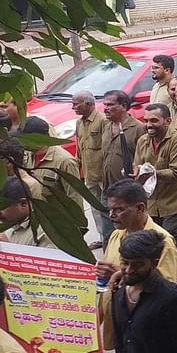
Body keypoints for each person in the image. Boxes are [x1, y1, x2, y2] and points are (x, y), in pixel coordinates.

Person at [109, 230, 177, 353]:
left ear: (154, 263)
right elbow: (120, 340)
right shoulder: (118, 291)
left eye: (137, 265)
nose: (129, 270)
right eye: (125, 263)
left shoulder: (169, 297)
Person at [96, 179, 177, 286]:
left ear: (140, 208)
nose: (111, 215)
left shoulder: (163, 241)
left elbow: (169, 288)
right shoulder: (115, 235)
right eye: (110, 210)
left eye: (118, 210)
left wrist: (124, 274)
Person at [133, 103, 177, 241]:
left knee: (172, 245)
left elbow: (176, 173)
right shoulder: (143, 140)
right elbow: (137, 165)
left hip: (173, 206)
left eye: (154, 121)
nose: (148, 125)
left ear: (168, 121)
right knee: (153, 246)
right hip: (150, 206)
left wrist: (151, 173)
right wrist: (136, 172)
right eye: (146, 121)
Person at [100, 90, 145, 244]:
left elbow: (143, 158)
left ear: (124, 106)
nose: (105, 108)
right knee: (108, 234)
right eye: (104, 105)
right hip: (107, 189)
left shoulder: (138, 128)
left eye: (110, 105)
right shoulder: (106, 127)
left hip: (126, 192)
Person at [72, 90, 110, 249]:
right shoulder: (79, 123)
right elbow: (79, 149)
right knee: (96, 209)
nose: (73, 107)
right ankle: (103, 238)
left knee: (107, 208)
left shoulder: (102, 120)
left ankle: (110, 239)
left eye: (76, 104)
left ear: (88, 103)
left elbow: (108, 147)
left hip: (104, 175)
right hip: (90, 175)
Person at [0, 176, 55, 248]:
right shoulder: (5, 226)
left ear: (23, 204)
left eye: (0, 208)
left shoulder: (46, 233)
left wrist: (9, 248)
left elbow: (49, 260)